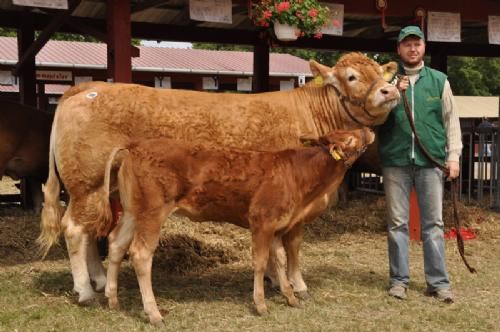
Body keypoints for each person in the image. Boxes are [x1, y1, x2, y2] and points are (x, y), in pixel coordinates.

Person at [378, 25, 463, 303]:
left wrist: (453, 157)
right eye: (407, 45)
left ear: (423, 47)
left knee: (434, 224)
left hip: (431, 160)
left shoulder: (439, 81)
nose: (412, 49)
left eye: (417, 44)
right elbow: (374, 117)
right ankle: (399, 281)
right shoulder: (388, 81)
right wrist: (391, 93)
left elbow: (451, 121)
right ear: (399, 49)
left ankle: (438, 283)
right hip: (396, 160)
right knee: (397, 223)